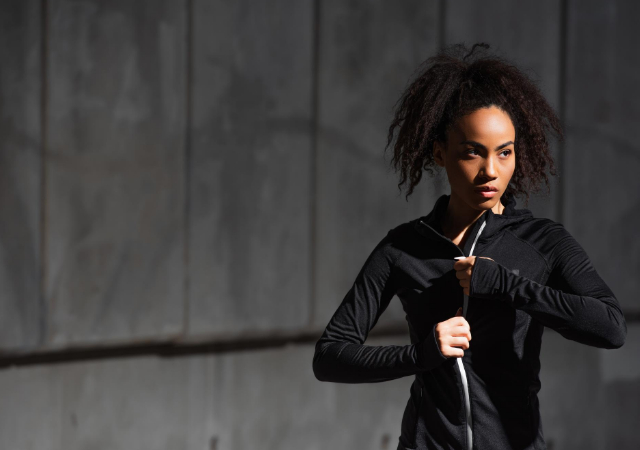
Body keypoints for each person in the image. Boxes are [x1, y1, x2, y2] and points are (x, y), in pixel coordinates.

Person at [311, 43, 627, 450]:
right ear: (440, 153)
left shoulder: (542, 242)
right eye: (473, 152)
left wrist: (509, 286)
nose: (491, 171)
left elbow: (611, 327)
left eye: (505, 153)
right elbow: (330, 356)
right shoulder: (404, 248)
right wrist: (420, 356)